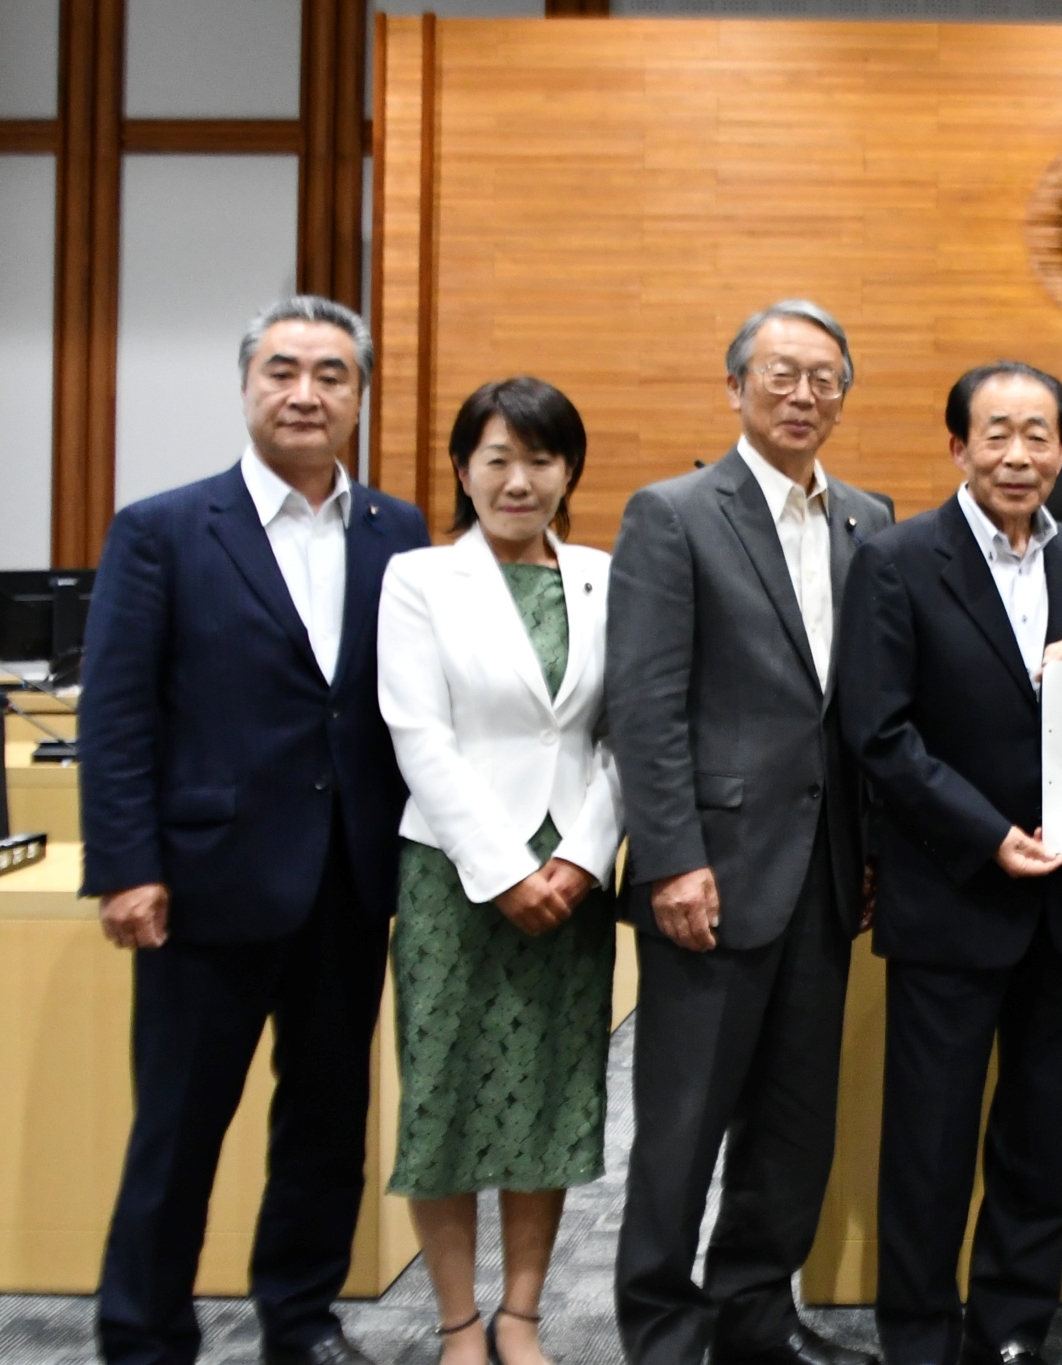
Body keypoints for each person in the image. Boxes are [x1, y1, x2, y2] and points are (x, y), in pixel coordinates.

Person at [80, 296, 430, 1365]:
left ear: (360, 398)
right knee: (179, 1131)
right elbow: (118, 710)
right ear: (246, 387)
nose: (305, 393)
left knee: (326, 1124)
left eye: (331, 375)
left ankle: (302, 1317)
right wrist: (126, 867)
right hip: (204, 882)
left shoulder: (398, 532)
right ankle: (143, 1334)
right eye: (283, 370)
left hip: (346, 881)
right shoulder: (165, 529)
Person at [607, 301, 892, 1365]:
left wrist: (868, 854)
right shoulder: (673, 513)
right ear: (735, 388)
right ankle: (661, 1331)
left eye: (824, 377)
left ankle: (754, 1320)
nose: (803, 395)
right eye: (781, 375)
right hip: (709, 874)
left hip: (822, 875)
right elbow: (644, 704)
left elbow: (862, 704)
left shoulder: (869, 517)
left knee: (790, 1123)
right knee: (681, 1126)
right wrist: (673, 857)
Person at [837, 361, 1062, 1365]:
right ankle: (917, 1333)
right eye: (995, 433)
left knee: (1041, 1142)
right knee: (930, 1142)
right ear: (956, 445)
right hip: (952, 893)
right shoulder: (899, 558)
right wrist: (983, 833)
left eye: (1037, 434)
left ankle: (1010, 1327)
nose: (1017, 455)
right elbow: (880, 732)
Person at [376, 377, 623, 1365]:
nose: (519, 480)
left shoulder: (608, 575)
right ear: (463, 470)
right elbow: (416, 733)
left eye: (541, 459)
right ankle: (456, 1323)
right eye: (497, 459)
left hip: (572, 879)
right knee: (448, 1093)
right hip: (452, 875)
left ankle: (521, 1315)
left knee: (549, 1093)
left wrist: (577, 857)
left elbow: (621, 732)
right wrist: (502, 868)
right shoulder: (419, 579)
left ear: (569, 470)